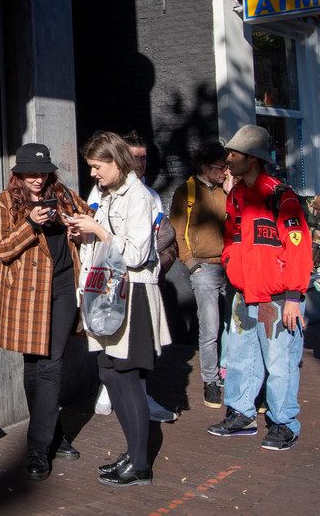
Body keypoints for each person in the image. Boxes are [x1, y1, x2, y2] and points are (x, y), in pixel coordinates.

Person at [66, 131, 171, 487]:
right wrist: (85, 234)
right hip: (107, 293)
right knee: (109, 373)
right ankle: (133, 452)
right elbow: (108, 242)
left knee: (126, 378)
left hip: (132, 294)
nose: (93, 173)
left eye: (97, 167)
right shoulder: (108, 194)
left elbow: (137, 253)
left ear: (115, 162)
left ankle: (140, 463)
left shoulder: (137, 196)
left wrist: (97, 229)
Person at [207, 124, 312, 451]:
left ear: (252, 158)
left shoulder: (282, 196)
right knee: (239, 356)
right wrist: (229, 262)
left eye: (234, 154)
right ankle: (241, 413)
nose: (228, 159)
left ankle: (284, 423)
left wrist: (294, 298)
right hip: (244, 294)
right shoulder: (236, 195)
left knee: (279, 361)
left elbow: (298, 249)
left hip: (277, 298)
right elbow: (229, 237)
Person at [0, 143, 90, 481]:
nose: (37, 179)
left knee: (51, 363)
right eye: (30, 173)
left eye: (42, 172)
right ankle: (55, 433)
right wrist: (31, 224)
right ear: (18, 173)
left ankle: (37, 449)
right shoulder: (6, 202)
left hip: (63, 286)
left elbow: (88, 218)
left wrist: (76, 226)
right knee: (32, 365)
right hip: (26, 294)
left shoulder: (63, 194)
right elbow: (3, 249)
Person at [92, 131, 179, 424]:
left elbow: (145, 248)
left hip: (135, 285)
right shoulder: (103, 192)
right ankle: (117, 403)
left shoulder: (145, 196)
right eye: (135, 157)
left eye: (144, 157)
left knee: (129, 367)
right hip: (110, 287)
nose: (140, 163)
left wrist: (160, 266)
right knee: (113, 367)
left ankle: (138, 455)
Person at [166, 140, 230, 408]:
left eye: (228, 166)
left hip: (231, 266)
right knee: (210, 328)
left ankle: (228, 371)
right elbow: (176, 233)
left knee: (234, 326)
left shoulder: (229, 190)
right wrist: (192, 264)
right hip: (204, 267)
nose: (226, 171)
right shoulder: (186, 191)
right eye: (221, 167)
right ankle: (210, 381)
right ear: (205, 167)